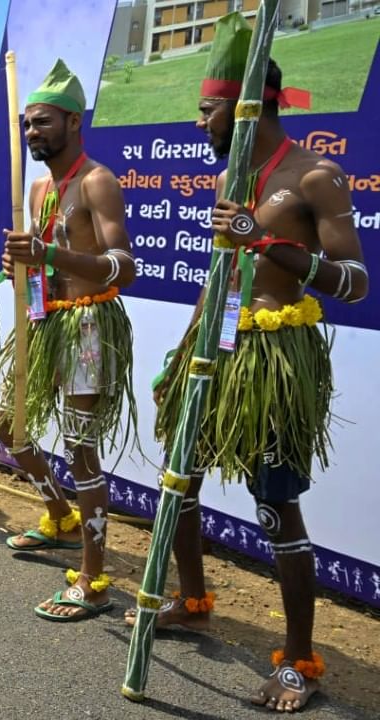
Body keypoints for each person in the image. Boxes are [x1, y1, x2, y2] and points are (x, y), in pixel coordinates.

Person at [132, 13, 364, 712]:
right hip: (220, 353)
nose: (197, 123)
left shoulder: (314, 177)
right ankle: (193, 596)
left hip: (274, 360)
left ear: (245, 107)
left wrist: (264, 244)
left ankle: (299, 661)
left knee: (273, 506)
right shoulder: (237, 178)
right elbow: (219, 278)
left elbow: (354, 281)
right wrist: (185, 351)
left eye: (205, 110)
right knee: (183, 477)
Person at [0, 59, 136, 622]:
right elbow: (40, 264)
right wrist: (20, 269)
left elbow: (122, 268)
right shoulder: (39, 187)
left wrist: (48, 254)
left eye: (44, 123)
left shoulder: (97, 181)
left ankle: (94, 579)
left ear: (74, 122)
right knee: (9, 425)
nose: (32, 133)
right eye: (27, 124)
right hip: (47, 324)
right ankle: (59, 516)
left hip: (89, 329)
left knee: (80, 448)